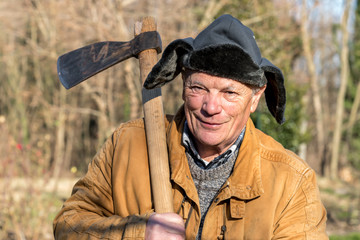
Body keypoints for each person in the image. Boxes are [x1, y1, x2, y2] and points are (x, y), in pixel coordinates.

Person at [53, 14, 328, 239]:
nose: (211, 106)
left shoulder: (291, 182)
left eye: (229, 93)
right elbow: (68, 225)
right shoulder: (126, 144)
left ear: (255, 97)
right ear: (183, 82)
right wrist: (138, 234)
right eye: (199, 88)